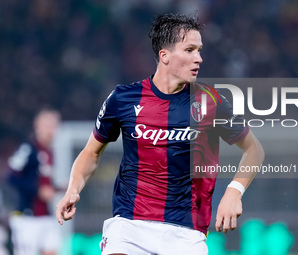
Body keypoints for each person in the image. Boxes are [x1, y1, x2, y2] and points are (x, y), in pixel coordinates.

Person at [56, 13, 264, 255]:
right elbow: (92, 152)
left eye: (199, 50)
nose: (199, 58)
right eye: (189, 50)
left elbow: (254, 150)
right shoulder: (123, 98)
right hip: (129, 225)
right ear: (164, 55)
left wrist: (233, 192)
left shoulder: (210, 101)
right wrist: (73, 189)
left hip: (186, 231)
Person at [7, 108, 62, 255]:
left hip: (46, 214)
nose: (52, 130)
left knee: (52, 250)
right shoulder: (28, 148)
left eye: (54, 126)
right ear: (37, 126)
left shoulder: (50, 151)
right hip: (27, 216)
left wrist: (58, 189)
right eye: (48, 126)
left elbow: (44, 185)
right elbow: (11, 176)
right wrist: (37, 191)